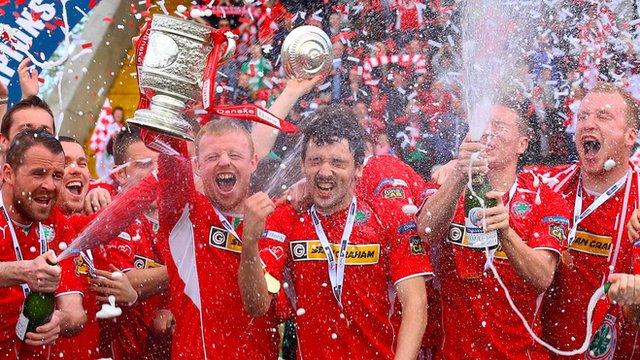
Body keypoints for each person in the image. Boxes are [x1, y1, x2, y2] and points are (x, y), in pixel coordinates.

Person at [238, 106, 432, 359]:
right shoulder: (285, 215)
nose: (325, 172)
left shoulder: (386, 215)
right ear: (302, 165)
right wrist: (249, 243)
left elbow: (415, 304)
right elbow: (256, 305)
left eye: (338, 162)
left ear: (358, 169)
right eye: (315, 161)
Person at [417, 100, 571, 359]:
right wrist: (458, 175)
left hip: (520, 354)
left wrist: (506, 234)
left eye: (499, 126)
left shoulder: (544, 199)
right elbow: (427, 232)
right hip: (452, 353)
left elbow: (543, 277)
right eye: (483, 126)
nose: (488, 132)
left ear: (522, 144)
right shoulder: (446, 186)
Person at [149, 120, 283, 359]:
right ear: (197, 166)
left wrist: (250, 241)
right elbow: (168, 154)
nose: (224, 161)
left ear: (253, 162)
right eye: (212, 157)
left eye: (234, 154)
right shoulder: (185, 213)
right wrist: (170, 102)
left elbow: (257, 305)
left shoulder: (276, 220)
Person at [538, 83, 640, 359]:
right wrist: (455, 168)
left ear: (631, 136)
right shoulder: (545, 186)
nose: (588, 124)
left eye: (603, 117)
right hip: (543, 349)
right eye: (582, 116)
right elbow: (501, 178)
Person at [0, 129, 87, 358]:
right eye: (39, 173)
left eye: (57, 175)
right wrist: (22, 271)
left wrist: (59, 320)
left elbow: (75, 314)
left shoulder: (57, 223)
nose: (50, 185)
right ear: (8, 174)